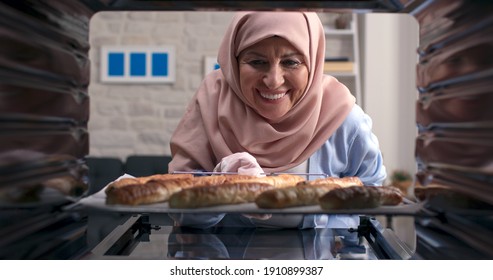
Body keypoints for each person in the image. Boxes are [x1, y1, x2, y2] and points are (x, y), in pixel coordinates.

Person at [168, 11, 386, 229]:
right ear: (234, 63)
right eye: (257, 61)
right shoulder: (210, 103)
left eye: (291, 62)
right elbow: (179, 205)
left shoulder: (343, 118)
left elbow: (370, 200)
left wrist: (327, 233)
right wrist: (219, 188)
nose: (273, 81)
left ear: (313, 62)